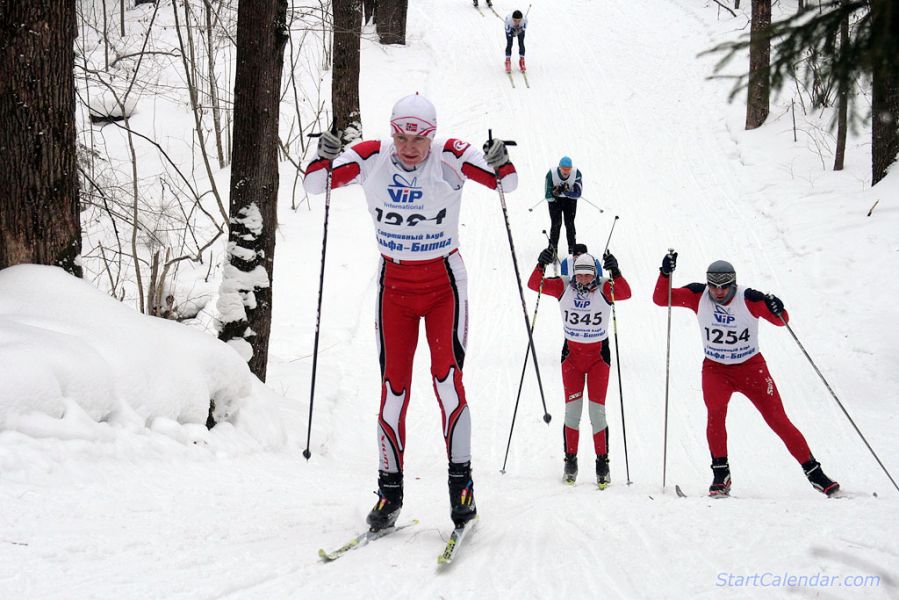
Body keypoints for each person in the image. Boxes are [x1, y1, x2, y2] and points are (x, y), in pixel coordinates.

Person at [303, 93, 518, 530]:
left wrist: (500, 161)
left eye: (418, 139)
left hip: (443, 285)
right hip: (395, 287)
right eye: (402, 136)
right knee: (393, 388)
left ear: (432, 135)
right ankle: (389, 494)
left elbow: (505, 184)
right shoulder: (372, 155)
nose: (409, 148)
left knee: (447, 383)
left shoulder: (450, 156)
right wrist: (322, 156)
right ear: (393, 132)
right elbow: (314, 184)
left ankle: (462, 487)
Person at [652, 253, 840, 497]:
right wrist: (665, 274)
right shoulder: (698, 295)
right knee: (715, 417)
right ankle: (721, 475)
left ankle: (815, 473)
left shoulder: (748, 298)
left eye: (724, 287)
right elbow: (660, 299)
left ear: (734, 284)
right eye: (714, 286)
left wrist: (778, 307)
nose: (719, 292)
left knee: (777, 419)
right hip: (716, 370)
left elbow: (781, 321)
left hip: (751, 368)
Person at [528, 246, 631, 488]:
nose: (584, 279)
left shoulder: (606, 287)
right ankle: (570, 461)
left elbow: (625, 293)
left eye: (588, 274)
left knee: (597, 413)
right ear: (573, 274)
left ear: (595, 274)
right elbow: (535, 285)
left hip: (598, 359)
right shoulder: (563, 285)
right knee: (572, 413)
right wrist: (540, 264)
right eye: (580, 274)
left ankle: (602, 463)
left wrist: (616, 271)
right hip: (572, 359)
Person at [544, 156, 583, 256]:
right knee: (556, 223)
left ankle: (572, 249)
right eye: (563, 169)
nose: (566, 172)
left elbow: (578, 193)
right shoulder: (551, 173)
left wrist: (567, 192)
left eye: (568, 169)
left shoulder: (576, 173)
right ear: (559, 167)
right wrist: (554, 193)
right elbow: (547, 196)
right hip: (555, 202)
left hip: (570, 201)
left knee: (569, 224)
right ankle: (553, 249)